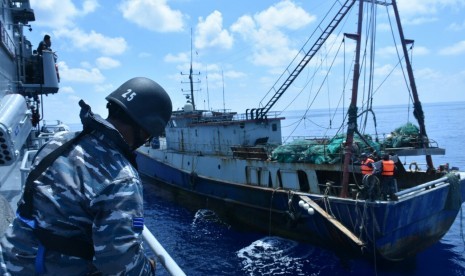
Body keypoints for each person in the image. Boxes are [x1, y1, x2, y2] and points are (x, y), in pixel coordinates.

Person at [1, 77, 172, 275]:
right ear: (144, 130)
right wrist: (147, 269)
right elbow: (119, 265)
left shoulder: (57, 142)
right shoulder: (122, 178)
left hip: (10, 261)